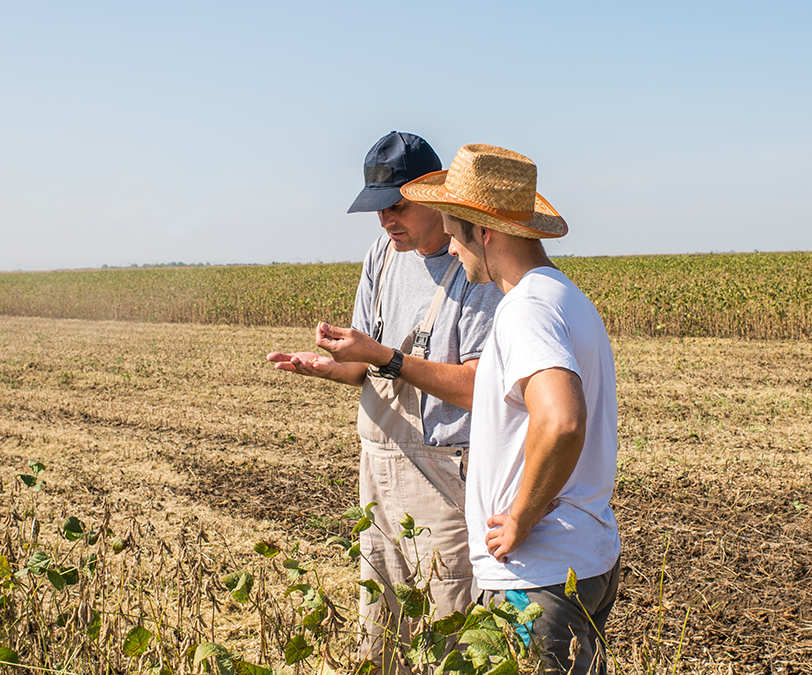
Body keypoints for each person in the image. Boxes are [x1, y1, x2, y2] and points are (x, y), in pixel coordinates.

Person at [266, 132, 503, 669]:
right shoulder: (382, 254)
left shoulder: (476, 269)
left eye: (395, 206)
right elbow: (364, 367)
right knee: (380, 631)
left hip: (443, 479)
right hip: (375, 470)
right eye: (377, 209)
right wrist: (328, 366)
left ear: (435, 196)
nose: (384, 222)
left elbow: (477, 387)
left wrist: (384, 356)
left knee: (448, 634)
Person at [400, 143, 622, 675]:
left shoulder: (524, 309)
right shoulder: (566, 296)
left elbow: (562, 418)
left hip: (538, 576)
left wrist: (520, 516)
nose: (452, 250)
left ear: (487, 233)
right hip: (582, 558)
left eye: (455, 235)